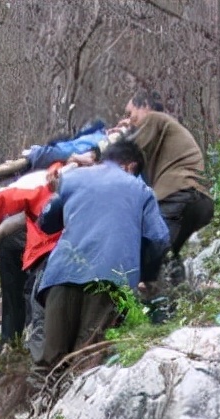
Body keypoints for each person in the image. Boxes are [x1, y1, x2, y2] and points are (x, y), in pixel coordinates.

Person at [34, 140, 170, 370]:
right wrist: (143, 273)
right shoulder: (140, 190)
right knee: (88, 359)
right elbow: (159, 239)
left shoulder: (73, 179)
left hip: (62, 273)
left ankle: (41, 404)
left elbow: (46, 220)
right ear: (130, 167)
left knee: (50, 362)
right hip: (110, 278)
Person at [118, 91, 214, 286]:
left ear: (144, 106)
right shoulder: (163, 136)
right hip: (200, 201)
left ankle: (147, 289)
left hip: (178, 196)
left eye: (130, 114)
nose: (127, 119)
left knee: (149, 251)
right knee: (174, 259)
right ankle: (174, 302)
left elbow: (123, 151)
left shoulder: (154, 118)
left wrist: (115, 138)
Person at [0, 167, 61, 356]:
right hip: (37, 240)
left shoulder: (38, 182)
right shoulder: (46, 181)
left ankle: (14, 340)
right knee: (32, 292)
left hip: (37, 240)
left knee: (25, 293)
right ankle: (20, 341)